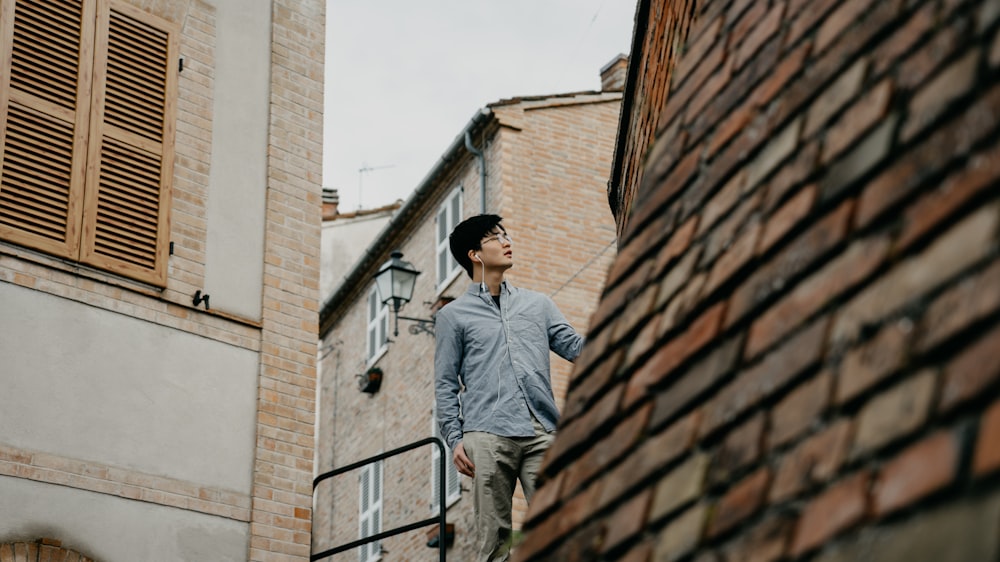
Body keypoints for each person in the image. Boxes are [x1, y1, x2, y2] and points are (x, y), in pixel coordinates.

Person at [434, 214, 584, 561]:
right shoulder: (453, 316)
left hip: (542, 431)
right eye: (495, 237)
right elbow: (444, 384)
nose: (506, 241)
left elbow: (577, 347)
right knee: (495, 541)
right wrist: (454, 439)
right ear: (475, 254)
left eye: (506, 234)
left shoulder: (538, 305)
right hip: (486, 435)